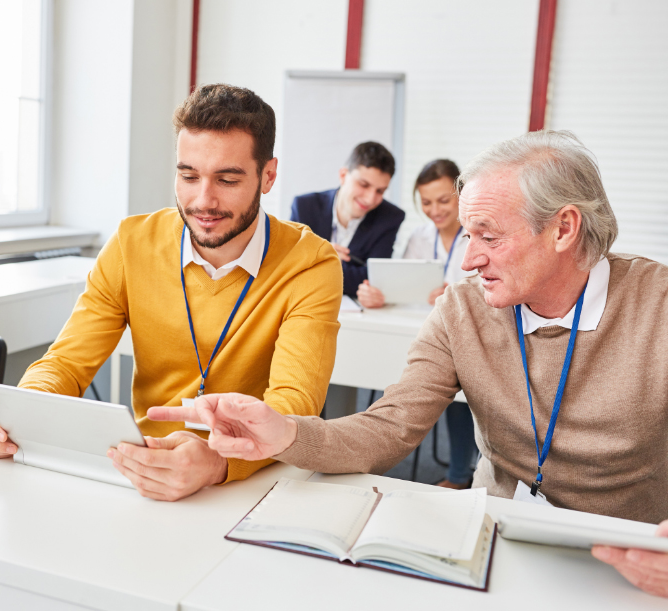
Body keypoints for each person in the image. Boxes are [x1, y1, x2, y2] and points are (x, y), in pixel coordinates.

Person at [151, 130, 668, 597]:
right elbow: (390, 428)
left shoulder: (658, 307)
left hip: (631, 562)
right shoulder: (463, 310)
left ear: (563, 229)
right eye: (467, 236)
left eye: (488, 236)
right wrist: (285, 433)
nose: (468, 260)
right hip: (494, 543)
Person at [0, 84, 343, 501]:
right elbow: (66, 363)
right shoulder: (133, 242)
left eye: (227, 179)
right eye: (189, 175)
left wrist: (217, 461)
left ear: (268, 175)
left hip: (258, 482)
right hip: (143, 472)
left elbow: (293, 405)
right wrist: (19, 410)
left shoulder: (311, 262)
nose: (204, 200)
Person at [357, 159, 478, 489]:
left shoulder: (479, 234)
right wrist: (380, 296)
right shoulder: (420, 236)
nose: (434, 210)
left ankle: (459, 475)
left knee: (458, 386)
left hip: (463, 335)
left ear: (461, 195)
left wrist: (456, 294)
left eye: (443, 200)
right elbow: (402, 288)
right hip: (417, 331)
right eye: (426, 202)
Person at [290, 142, 405, 297]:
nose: (370, 199)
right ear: (343, 176)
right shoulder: (305, 207)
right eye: (364, 185)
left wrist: (317, 262)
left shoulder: (390, 218)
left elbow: (373, 279)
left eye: (380, 191)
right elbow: (289, 267)